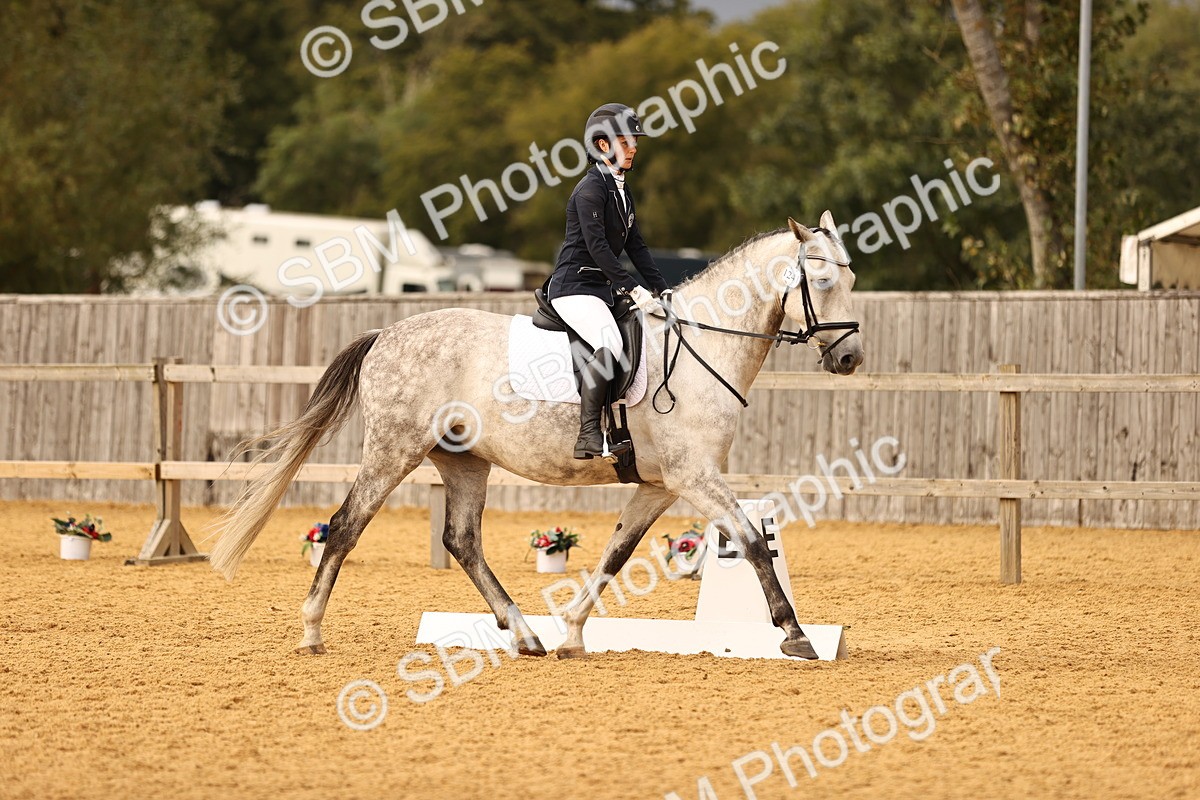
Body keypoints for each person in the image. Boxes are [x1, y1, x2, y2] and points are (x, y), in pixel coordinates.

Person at [545, 103, 670, 459]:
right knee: (610, 342)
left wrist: (664, 288)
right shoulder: (590, 190)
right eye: (626, 140)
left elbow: (636, 245)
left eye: (634, 141)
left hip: (600, 289)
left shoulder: (620, 190)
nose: (634, 147)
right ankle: (587, 434)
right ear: (603, 145)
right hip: (574, 287)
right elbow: (599, 249)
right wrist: (633, 288)